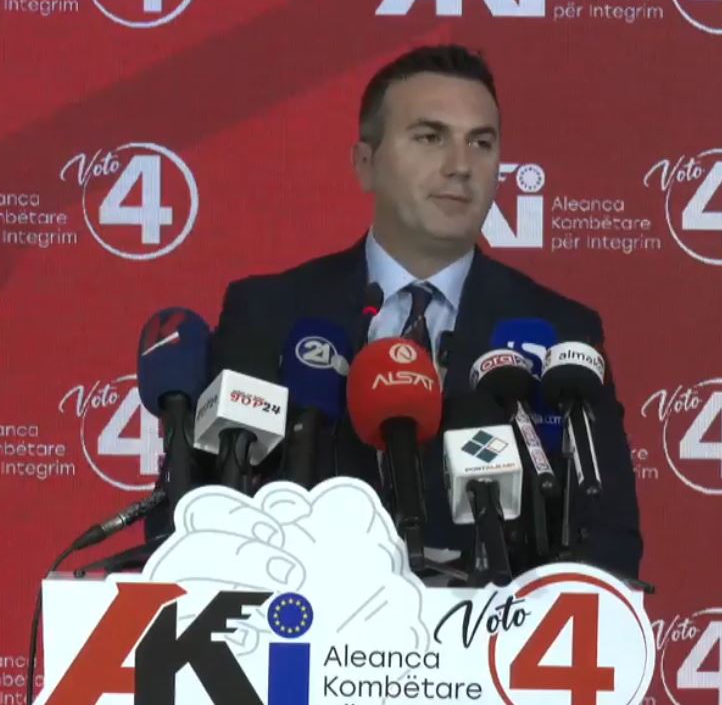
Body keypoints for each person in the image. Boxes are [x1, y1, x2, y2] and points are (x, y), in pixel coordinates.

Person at [203, 44, 642, 579]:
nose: (460, 166)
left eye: (481, 143)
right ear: (366, 164)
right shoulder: (269, 313)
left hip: (495, 627)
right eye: (430, 137)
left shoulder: (561, 333)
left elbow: (609, 542)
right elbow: (195, 512)